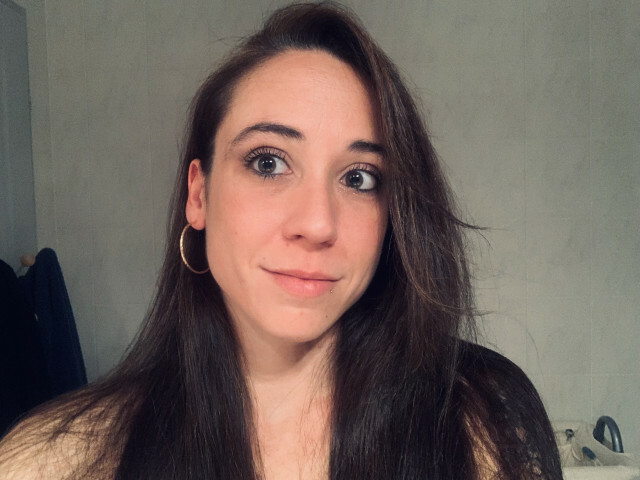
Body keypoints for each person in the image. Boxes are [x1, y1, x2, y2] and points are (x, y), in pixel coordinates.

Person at [0, 3, 562, 479]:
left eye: (360, 178)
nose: (317, 224)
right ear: (199, 194)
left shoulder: (481, 420)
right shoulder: (55, 460)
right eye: (268, 162)